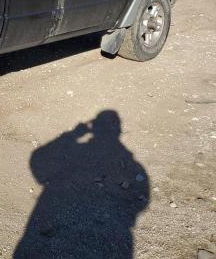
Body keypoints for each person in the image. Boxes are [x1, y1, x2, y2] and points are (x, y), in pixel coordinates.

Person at [14, 110, 149, 258]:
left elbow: (38, 161)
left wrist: (73, 135)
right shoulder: (133, 165)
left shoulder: (84, 152)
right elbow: (139, 201)